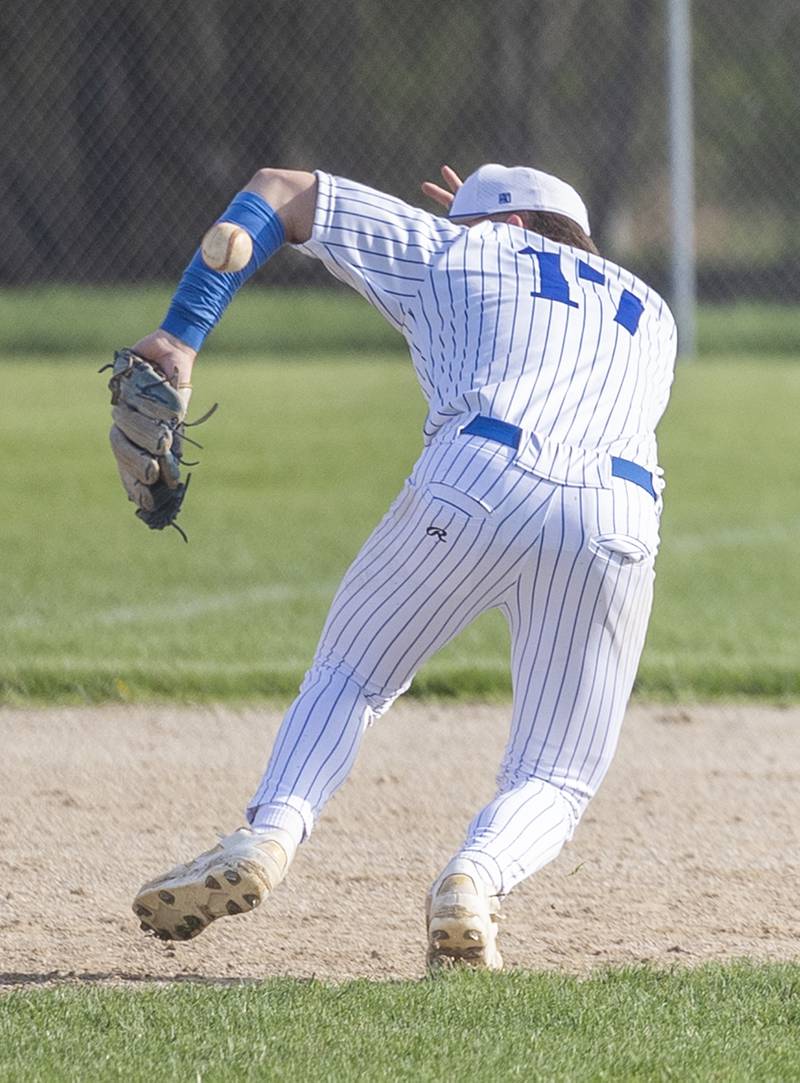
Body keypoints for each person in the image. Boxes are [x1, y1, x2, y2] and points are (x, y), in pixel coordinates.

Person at [121, 162, 677, 971]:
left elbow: (280, 190)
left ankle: (269, 834)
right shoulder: (653, 311)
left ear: (507, 226)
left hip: (477, 475)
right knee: (557, 773)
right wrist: (486, 220)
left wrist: (181, 331)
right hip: (618, 519)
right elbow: (541, 283)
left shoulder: (461, 253)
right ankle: (473, 878)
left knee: (351, 676)